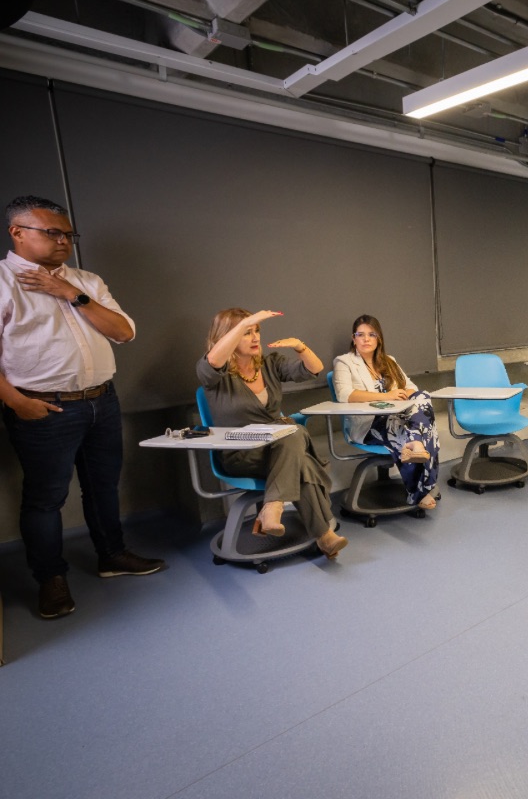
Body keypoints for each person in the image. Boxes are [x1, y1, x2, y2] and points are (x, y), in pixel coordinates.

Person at [0, 195, 164, 619]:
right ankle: (50, 579)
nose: (63, 241)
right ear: (17, 232)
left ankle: (112, 556)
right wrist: (18, 403)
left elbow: (124, 332)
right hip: (44, 409)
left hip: (101, 401)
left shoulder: (86, 280)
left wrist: (70, 292)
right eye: (51, 232)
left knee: (103, 487)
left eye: (68, 234)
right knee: (45, 500)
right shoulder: (3, 282)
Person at [197, 308, 348, 559]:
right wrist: (245, 323)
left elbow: (315, 368)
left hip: (278, 448)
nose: (255, 337)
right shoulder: (212, 375)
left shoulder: (269, 364)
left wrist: (300, 346)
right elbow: (214, 360)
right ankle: (320, 532)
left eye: (256, 331)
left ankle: (274, 510)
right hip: (240, 454)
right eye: (247, 333)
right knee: (296, 440)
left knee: (293, 443)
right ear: (229, 337)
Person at [333, 315, 440, 509]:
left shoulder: (389, 361)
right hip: (368, 424)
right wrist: (387, 396)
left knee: (422, 396)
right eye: (361, 334)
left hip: (401, 417)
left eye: (371, 334)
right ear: (353, 338)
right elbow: (344, 394)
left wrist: (403, 394)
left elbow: (411, 387)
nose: (366, 339)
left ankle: (416, 444)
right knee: (407, 429)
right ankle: (420, 489)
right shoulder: (344, 362)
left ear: (378, 338)